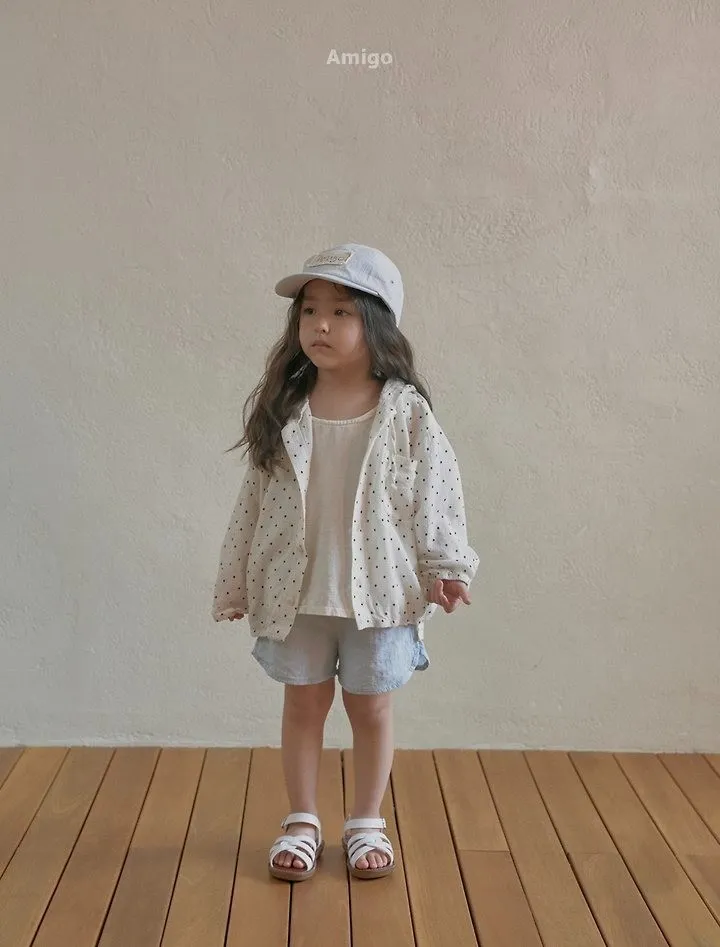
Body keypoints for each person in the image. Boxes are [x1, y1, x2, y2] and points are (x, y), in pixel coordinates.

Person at [212, 243, 479, 882]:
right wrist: (234, 580)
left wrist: (447, 565)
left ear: (377, 322)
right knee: (302, 707)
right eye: (309, 311)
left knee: (371, 710)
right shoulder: (286, 408)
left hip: (381, 594)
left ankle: (365, 821)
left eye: (340, 311)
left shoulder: (405, 411)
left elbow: (437, 493)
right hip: (296, 593)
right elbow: (252, 502)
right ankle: (302, 820)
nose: (321, 325)